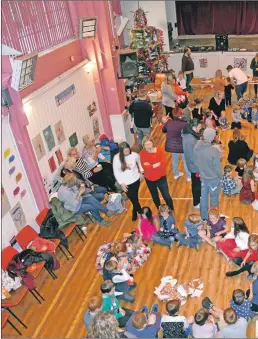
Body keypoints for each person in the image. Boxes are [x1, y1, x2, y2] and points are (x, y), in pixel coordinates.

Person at [194, 128, 223, 220]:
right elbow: (217, 168)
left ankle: (204, 217)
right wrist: (221, 177)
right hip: (213, 179)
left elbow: (195, 162)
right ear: (212, 137)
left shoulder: (197, 147)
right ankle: (214, 218)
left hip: (203, 177)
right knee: (214, 198)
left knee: (204, 198)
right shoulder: (214, 151)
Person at [140, 136, 174, 211]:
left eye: (149, 144)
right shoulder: (142, 153)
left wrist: (150, 165)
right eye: (146, 145)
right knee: (155, 197)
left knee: (166, 196)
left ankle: (171, 209)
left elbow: (163, 164)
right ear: (143, 145)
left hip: (161, 177)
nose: (148, 146)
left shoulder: (159, 150)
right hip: (149, 179)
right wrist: (154, 165)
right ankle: (159, 210)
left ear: (153, 143)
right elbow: (144, 166)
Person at [113, 142, 143, 221]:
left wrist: (141, 171)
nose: (127, 152)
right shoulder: (116, 158)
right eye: (125, 151)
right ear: (121, 151)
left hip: (136, 180)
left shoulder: (135, 155)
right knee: (133, 198)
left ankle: (135, 211)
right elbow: (116, 172)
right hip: (126, 184)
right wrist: (121, 183)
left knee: (134, 198)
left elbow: (139, 162)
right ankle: (140, 211)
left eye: (128, 150)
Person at [163, 107, 190, 181]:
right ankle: (188, 176)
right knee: (185, 161)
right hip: (182, 146)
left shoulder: (169, 123)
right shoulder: (184, 124)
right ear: (181, 115)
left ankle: (176, 174)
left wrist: (166, 122)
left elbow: (163, 130)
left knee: (174, 160)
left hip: (172, 146)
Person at [182, 119, 202, 208]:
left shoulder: (189, 134)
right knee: (196, 185)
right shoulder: (190, 140)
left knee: (197, 184)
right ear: (194, 127)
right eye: (199, 127)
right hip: (195, 167)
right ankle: (196, 203)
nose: (200, 128)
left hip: (194, 165)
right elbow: (192, 157)